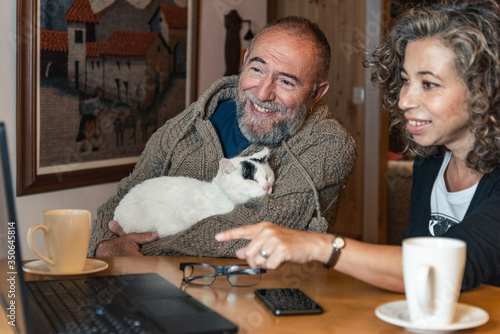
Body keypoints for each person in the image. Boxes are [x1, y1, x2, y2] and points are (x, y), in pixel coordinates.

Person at [216, 0, 500, 292]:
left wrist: (321, 245)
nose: (404, 101)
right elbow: (412, 270)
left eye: (428, 84)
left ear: (485, 89)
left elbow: (449, 270)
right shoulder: (431, 162)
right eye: (405, 80)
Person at [87, 16, 356, 258]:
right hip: (154, 295)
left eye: (286, 82)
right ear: (245, 60)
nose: (263, 93)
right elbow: (126, 193)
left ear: (316, 93)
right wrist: (104, 246)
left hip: (258, 304)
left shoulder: (328, 145)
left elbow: (251, 233)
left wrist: (137, 251)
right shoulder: (193, 119)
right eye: (257, 69)